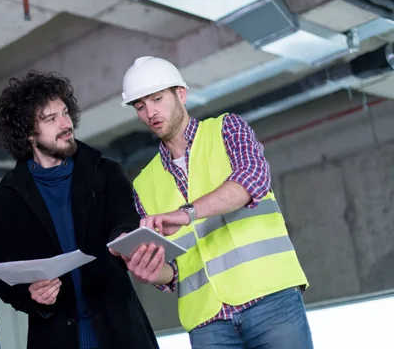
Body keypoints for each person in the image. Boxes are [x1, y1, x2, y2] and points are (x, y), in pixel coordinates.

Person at [115, 56, 313, 348]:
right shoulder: (144, 184)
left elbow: (252, 180)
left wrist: (187, 213)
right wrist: (149, 270)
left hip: (270, 301)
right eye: (140, 106)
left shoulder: (226, 129)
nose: (150, 112)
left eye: (157, 99)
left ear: (180, 94)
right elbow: (173, 273)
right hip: (207, 323)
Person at [0, 71, 160, 349]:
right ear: (29, 134)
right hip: (54, 338)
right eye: (51, 119)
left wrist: (123, 237)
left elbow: (124, 218)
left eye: (65, 113)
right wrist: (30, 295)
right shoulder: (2, 202)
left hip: (120, 332)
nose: (66, 124)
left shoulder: (106, 172)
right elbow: (2, 276)